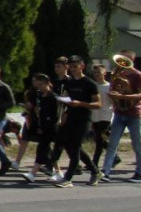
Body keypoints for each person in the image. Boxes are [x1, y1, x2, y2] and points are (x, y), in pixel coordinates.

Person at [53, 55, 102, 187]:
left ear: (82, 66)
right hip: (71, 117)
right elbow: (69, 100)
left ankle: (68, 178)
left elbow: (98, 104)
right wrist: (65, 113)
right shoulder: (69, 83)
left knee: (74, 147)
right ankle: (95, 171)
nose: (73, 69)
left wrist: (80, 103)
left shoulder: (89, 83)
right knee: (70, 146)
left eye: (75, 66)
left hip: (84, 118)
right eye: (71, 67)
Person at [100, 50, 141, 183]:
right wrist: (114, 94)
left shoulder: (138, 75)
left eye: (125, 59)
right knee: (112, 144)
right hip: (120, 112)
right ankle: (105, 171)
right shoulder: (118, 74)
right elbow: (112, 90)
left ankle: (140, 173)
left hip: (134, 113)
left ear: (132, 59)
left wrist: (123, 96)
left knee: (137, 145)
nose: (121, 62)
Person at [20, 73, 61, 184]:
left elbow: (55, 114)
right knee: (45, 149)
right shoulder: (41, 96)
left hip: (51, 127)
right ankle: (57, 172)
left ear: (48, 83)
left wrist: (48, 123)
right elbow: (40, 113)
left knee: (44, 149)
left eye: (42, 84)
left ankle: (34, 172)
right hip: (43, 126)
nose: (40, 87)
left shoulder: (53, 97)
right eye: (38, 85)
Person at [88, 63, 113, 171]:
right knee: (99, 139)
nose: (97, 74)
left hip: (105, 114)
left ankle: (94, 163)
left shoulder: (109, 86)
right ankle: (115, 157)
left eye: (99, 72)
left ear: (104, 73)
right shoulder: (93, 85)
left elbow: (113, 101)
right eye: (95, 72)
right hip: (95, 115)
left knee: (100, 139)